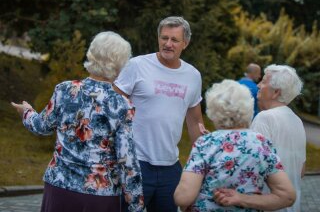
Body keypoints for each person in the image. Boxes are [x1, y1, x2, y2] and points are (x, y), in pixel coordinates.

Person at [11, 31, 144, 212]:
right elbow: (126, 159)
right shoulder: (121, 105)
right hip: (99, 195)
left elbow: (41, 126)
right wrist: (137, 204)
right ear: (120, 65)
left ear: (91, 55)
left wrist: (26, 112)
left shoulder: (64, 90)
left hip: (59, 187)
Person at [113, 16, 204, 211]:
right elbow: (112, 106)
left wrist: (202, 162)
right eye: (164, 38)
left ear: (185, 44)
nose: (168, 44)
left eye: (174, 40)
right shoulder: (137, 65)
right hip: (135, 162)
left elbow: (195, 121)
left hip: (171, 167)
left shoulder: (193, 76)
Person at [174, 79, 296, 211]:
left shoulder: (205, 144)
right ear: (248, 108)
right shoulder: (262, 143)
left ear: (213, 112)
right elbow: (287, 196)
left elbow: (183, 197)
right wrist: (242, 199)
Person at [250, 64, 306, 212]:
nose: (258, 85)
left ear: (275, 92)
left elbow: (252, 164)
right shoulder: (297, 120)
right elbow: (301, 170)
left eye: (263, 81)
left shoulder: (265, 118)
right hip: (292, 205)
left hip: (268, 204)